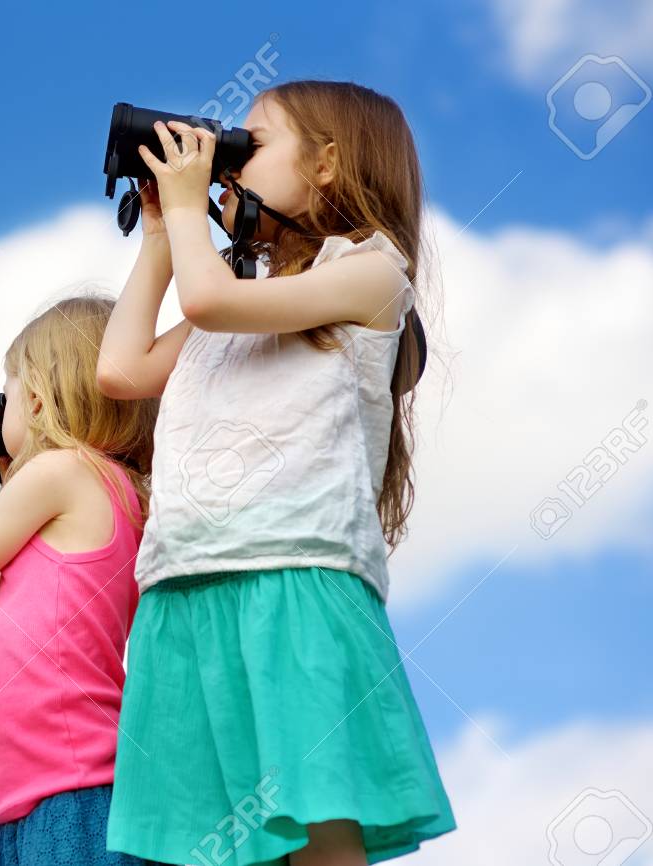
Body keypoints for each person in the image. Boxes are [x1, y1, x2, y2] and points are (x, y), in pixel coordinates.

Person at [97, 80, 456, 865]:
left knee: (319, 827)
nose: (227, 157)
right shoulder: (233, 298)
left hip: (295, 575)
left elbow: (211, 298)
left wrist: (193, 213)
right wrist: (162, 231)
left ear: (328, 164)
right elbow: (121, 369)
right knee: (207, 847)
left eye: (250, 144)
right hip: (185, 583)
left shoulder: (369, 273)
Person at [0, 294, 163, 866]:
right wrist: (2, 507)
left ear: (36, 397)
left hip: (70, 795)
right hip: (35, 798)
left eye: (7, 394)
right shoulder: (112, 491)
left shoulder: (62, 472)